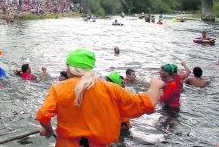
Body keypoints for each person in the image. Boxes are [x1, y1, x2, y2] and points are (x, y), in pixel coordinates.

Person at [36, 48, 164, 146]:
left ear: (70, 68)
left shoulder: (58, 89)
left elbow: (44, 116)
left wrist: (47, 130)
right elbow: (145, 105)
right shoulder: (111, 89)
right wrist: (155, 86)